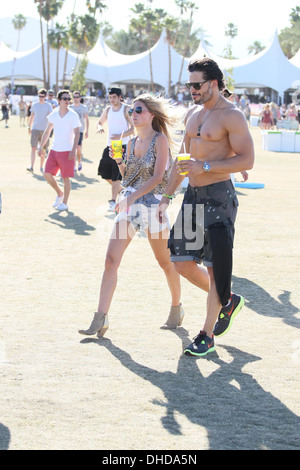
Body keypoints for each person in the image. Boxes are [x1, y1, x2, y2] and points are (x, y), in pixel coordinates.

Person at [158, 58, 254, 357]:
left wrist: (207, 165)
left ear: (213, 83)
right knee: (182, 263)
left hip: (218, 198)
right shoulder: (193, 113)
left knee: (215, 270)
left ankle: (207, 334)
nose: (192, 90)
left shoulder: (232, 116)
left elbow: (247, 159)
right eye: (189, 85)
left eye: (197, 85)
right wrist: (166, 197)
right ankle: (227, 300)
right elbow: (182, 162)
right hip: (193, 197)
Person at [79, 93, 183, 338]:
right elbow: (128, 178)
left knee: (165, 263)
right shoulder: (131, 141)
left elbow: (158, 177)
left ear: (152, 115)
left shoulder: (160, 141)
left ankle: (177, 307)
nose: (133, 115)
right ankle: (100, 318)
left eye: (139, 111)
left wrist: (130, 198)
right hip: (130, 204)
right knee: (110, 260)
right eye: (132, 111)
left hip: (153, 205)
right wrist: (119, 162)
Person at [38, 90, 80, 211]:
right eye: (65, 99)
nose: (67, 101)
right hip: (54, 150)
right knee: (46, 174)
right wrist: (41, 147)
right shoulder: (54, 114)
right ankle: (59, 193)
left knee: (65, 178)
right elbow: (47, 132)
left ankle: (65, 203)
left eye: (69, 99)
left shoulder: (73, 115)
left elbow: (77, 133)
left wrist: (73, 150)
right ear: (59, 100)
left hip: (67, 151)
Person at [96, 87, 134, 212]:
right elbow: (99, 122)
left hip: (121, 145)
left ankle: (113, 201)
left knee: (116, 176)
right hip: (110, 145)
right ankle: (123, 192)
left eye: (114, 97)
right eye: (110, 97)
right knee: (103, 172)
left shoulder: (126, 109)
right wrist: (99, 127)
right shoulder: (107, 110)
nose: (112, 99)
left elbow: (134, 128)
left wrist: (120, 135)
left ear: (119, 97)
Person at [27, 89, 53, 173]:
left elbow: (50, 118)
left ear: (45, 96)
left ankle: (42, 166)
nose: (41, 98)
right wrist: (29, 126)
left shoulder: (48, 106)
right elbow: (32, 116)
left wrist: (50, 129)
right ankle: (31, 166)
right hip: (35, 129)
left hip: (44, 130)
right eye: (39, 96)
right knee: (33, 148)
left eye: (42, 96)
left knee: (43, 149)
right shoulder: (34, 105)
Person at [69, 91, 89, 172]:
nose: (76, 99)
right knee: (72, 148)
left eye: (77, 97)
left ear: (80, 98)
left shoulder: (83, 108)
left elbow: (87, 119)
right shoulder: (70, 107)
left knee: (78, 147)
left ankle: (79, 162)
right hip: (71, 130)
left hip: (80, 130)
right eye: (74, 97)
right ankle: (73, 166)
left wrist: (87, 131)